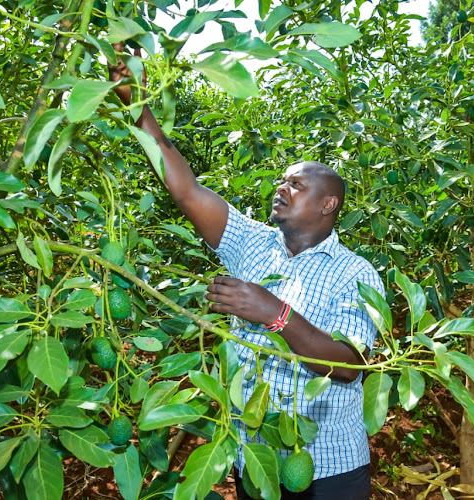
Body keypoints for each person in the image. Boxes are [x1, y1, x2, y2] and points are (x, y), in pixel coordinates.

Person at [109, 44, 384, 500]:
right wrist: (135, 102)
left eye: (297, 184)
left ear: (328, 204)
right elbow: (187, 190)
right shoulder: (251, 242)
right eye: (282, 181)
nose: (282, 188)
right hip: (255, 458)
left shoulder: (355, 273)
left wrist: (274, 312)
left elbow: (349, 365)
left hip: (329, 469)